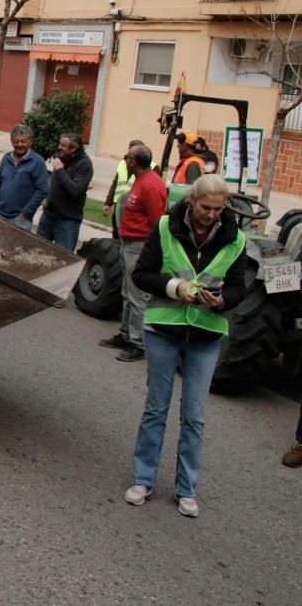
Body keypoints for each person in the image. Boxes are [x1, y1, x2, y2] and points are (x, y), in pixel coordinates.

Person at [124, 174, 248, 518]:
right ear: (192, 201)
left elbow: (239, 288)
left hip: (206, 336)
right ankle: (143, 479)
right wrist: (176, 287)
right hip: (164, 329)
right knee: (156, 409)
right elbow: (142, 274)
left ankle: (186, 489)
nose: (212, 215)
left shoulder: (233, 238)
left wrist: (221, 301)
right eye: (206, 208)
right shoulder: (166, 226)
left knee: (194, 416)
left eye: (218, 209)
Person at [100, 144, 168, 362]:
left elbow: (158, 222)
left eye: (126, 157)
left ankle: (137, 343)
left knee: (137, 296)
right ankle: (125, 334)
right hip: (128, 243)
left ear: (133, 162)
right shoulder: (140, 179)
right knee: (126, 292)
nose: (124, 159)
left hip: (139, 246)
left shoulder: (151, 185)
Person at [38, 133, 93, 252]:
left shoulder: (84, 164)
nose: (59, 147)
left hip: (67, 222)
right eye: (59, 143)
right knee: (36, 252)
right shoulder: (62, 157)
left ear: (73, 149)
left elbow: (75, 190)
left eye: (63, 145)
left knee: (63, 260)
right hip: (48, 217)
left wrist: (60, 170)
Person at [0, 124, 47, 231]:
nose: (19, 145)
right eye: (16, 141)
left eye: (23, 141)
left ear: (30, 141)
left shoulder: (37, 162)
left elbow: (42, 190)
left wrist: (26, 214)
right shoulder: (6, 158)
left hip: (20, 220)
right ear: (11, 141)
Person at [103, 138, 145, 238]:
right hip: (118, 205)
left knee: (128, 235)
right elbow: (115, 184)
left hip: (133, 206)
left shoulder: (150, 166)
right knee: (116, 234)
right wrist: (108, 203)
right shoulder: (122, 164)